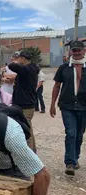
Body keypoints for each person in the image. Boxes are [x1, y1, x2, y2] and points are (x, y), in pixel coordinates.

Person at [51, 40, 86, 176]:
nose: (76, 53)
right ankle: (69, 163)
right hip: (67, 105)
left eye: (79, 50)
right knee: (71, 133)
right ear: (70, 51)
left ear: (84, 51)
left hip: (84, 106)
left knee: (79, 135)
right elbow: (56, 86)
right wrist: (53, 104)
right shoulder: (64, 68)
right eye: (74, 50)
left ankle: (75, 158)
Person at [6, 51, 39, 153]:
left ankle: (28, 155)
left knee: (25, 131)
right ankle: (32, 151)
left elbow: (11, 66)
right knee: (28, 128)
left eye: (19, 58)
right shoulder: (32, 68)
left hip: (25, 105)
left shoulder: (26, 69)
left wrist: (14, 60)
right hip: (27, 104)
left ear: (23, 59)